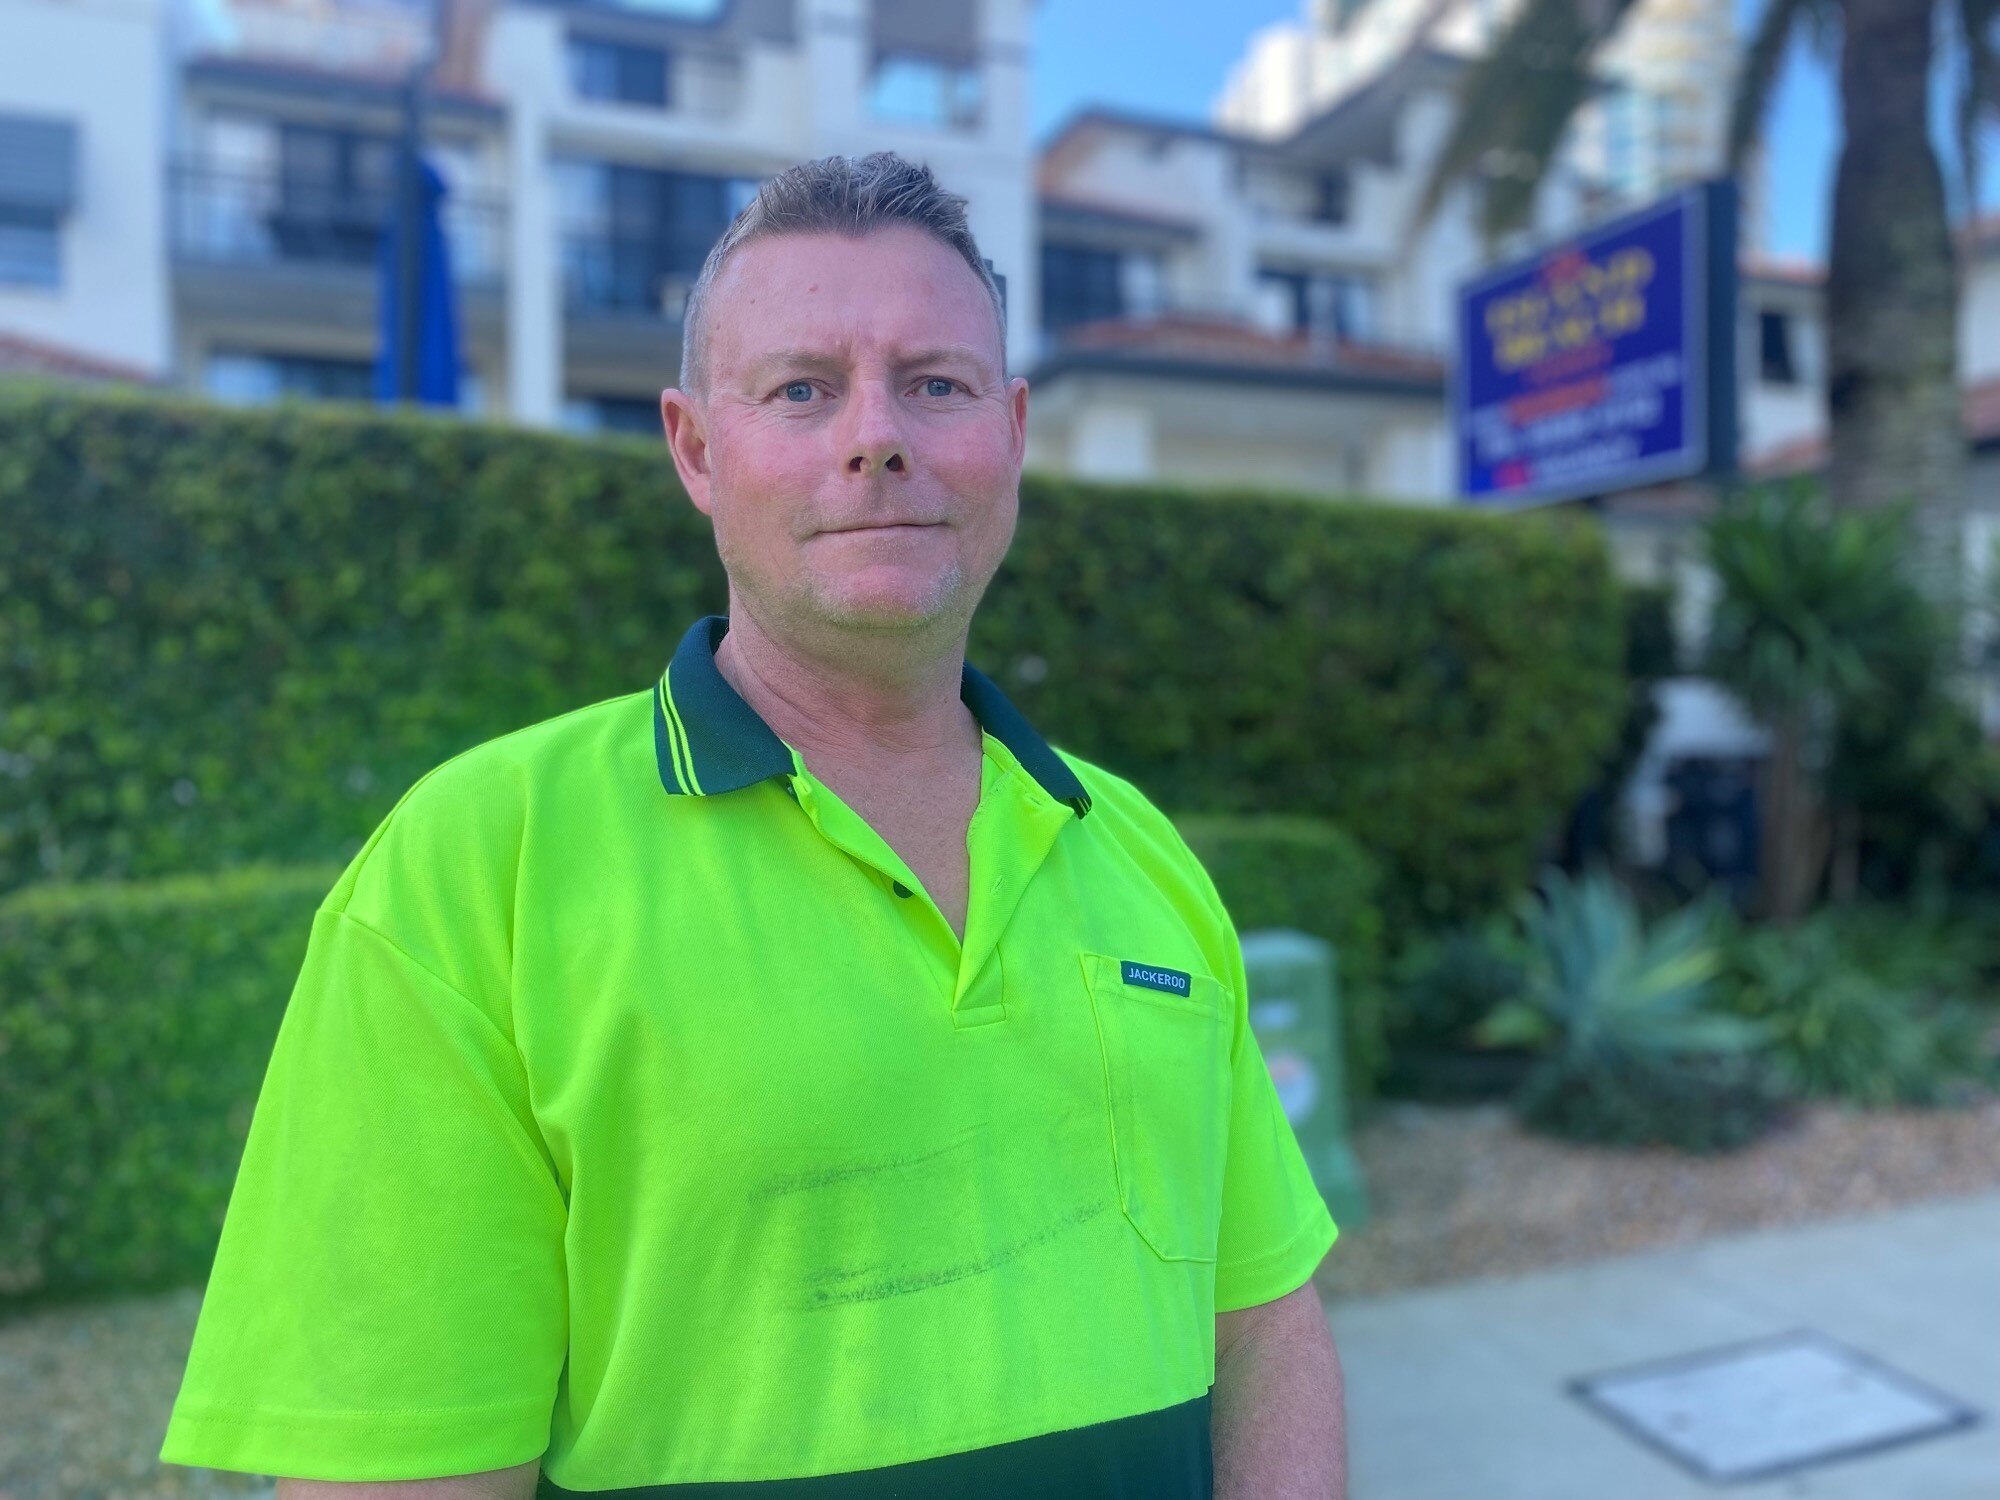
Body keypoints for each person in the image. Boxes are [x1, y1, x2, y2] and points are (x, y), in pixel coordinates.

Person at [160, 150, 1344, 1499]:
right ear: (695, 449)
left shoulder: (1136, 847)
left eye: (936, 383)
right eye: (803, 387)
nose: (877, 432)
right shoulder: (467, 870)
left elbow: (1265, 1328)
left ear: (1012, 431)